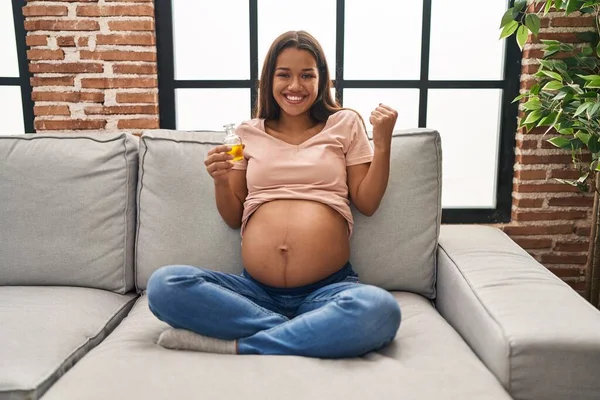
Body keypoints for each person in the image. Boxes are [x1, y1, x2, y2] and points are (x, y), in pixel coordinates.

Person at [147, 30, 401, 359]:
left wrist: (383, 143)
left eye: (307, 75)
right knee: (164, 285)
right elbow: (233, 217)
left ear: (322, 79)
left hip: (327, 289)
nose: (295, 86)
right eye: (284, 74)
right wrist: (220, 180)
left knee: (379, 310)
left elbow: (367, 202)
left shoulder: (345, 124)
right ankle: (311, 330)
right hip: (253, 292)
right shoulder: (245, 134)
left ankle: (242, 343)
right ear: (269, 79)